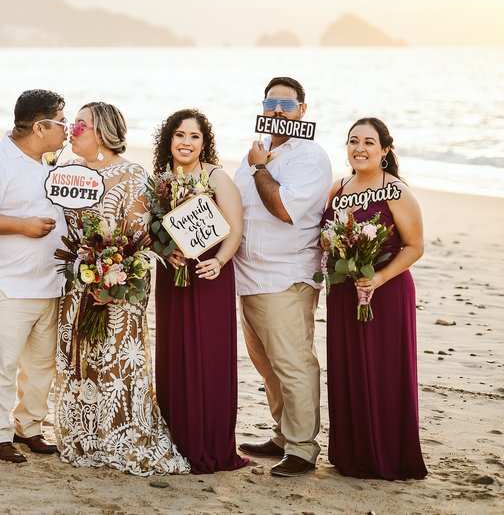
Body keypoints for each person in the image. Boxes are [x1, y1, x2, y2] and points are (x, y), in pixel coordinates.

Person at [56, 102, 190, 476]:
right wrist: (85, 272)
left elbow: (140, 238)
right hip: (77, 283)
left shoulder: (131, 175)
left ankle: (120, 433)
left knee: (114, 356)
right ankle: (85, 434)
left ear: (101, 132)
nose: (73, 129)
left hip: (122, 283)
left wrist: (112, 282)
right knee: (80, 355)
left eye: (81, 124)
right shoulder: (67, 172)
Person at [0, 89, 66, 464]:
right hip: (5, 284)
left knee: (41, 366)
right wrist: (22, 225)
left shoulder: (54, 165)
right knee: (1, 365)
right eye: (61, 122)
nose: (67, 130)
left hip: (50, 283)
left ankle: (30, 427)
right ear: (40, 127)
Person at [232, 76, 332, 477]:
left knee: (292, 363)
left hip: (285, 276)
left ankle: (303, 447)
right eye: (271, 103)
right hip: (248, 277)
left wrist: (259, 169)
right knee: (267, 364)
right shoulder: (258, 150)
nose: (277, 111)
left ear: (302, 112)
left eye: (287, 105)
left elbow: (284, 209)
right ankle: (282, 435)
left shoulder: (310, 156)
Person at [322, 117, 427, 480]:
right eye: (353, 141)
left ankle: (386, 454)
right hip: (343, 293)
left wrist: (377, 278)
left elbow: (415, 247)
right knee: (348, 368)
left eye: (369, 142)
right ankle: (352, 454)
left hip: (386, 292)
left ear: (384, 150)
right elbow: (325, 237)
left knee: (383, 372)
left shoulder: (396, 191)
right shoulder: (337, 188)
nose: (359, 148)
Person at [152, 109, 248, 473]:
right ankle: (178, 439)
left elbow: (235, 229)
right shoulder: (161, 180)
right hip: (174, 277)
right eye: (179, 135)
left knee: (208, 356)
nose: (185, 143)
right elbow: (153, 230)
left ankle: (209, 442)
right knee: (175, 353)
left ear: (204, 142)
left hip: (210, 276)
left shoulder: (217, 177)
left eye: (193, 136)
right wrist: (165, 252)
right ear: (169, 141)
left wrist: (220, 261)